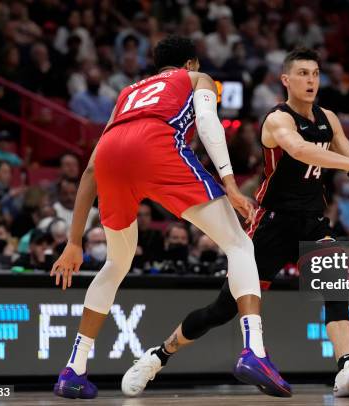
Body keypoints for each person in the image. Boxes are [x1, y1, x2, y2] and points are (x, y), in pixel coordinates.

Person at [50, 35, 292, 399]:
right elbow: (209, 123)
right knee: (239, 243)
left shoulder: (127, 93)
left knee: (116, 264)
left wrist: (74, 241)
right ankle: (254, 351)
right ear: (191, 63)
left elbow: (89, 170)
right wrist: (229, 183)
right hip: (156, 144)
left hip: (113, 155)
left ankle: (73, 369)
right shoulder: (195, 78)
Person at [134, 48, 349, 398]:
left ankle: (346, 368)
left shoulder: (329, 118)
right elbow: (299, 150)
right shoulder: (277, 119)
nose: (311, 80)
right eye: (303, 74)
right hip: (271, 224)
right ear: (286, 80)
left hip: (312, 221)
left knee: (335, 281)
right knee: (222, 309)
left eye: (315, 73)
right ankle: (158, 356)